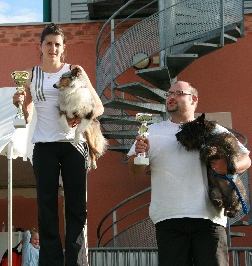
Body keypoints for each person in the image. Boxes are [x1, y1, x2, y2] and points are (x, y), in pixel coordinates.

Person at [127, 81, 251, 265]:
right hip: (169, 218)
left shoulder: (212, 129)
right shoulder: (151, 132)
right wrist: (138, 155)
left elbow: (246, 159)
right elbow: (135, 170)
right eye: (169, 93)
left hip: (209, 218)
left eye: (178, 93)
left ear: (193, 99)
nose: (171, 97)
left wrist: (228, 166)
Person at [12, 23, 104, 265]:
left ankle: (75, 260)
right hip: (43, 145)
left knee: (76, 207)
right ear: (40, 47)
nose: (53, 48)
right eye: (48, 43)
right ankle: (50, 261)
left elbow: (99, 107)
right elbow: (29, 113)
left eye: (57, 44)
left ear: (64, 48)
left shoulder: (74, 70)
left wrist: (80, 116)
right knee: (46, 207)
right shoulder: (31, 74)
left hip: (74, 145)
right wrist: (20, 106)